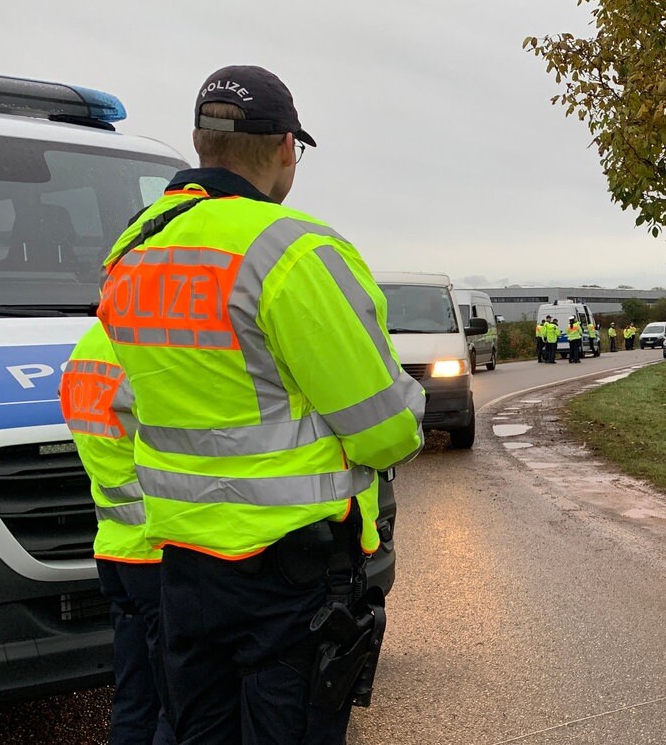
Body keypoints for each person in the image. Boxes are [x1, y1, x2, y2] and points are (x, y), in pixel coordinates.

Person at [98, 66, 425, 744]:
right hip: (291, 577)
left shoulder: (131, 254)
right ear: (285, 149)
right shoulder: (293, 250)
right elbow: (386, 431)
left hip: (184, 568)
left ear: (199, 141)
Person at [60, 324, 172, 745]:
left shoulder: (88, 345)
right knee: (179, 705)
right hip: (161, 551)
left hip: (115, 550)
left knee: (134, 701)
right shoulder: (146, 345)